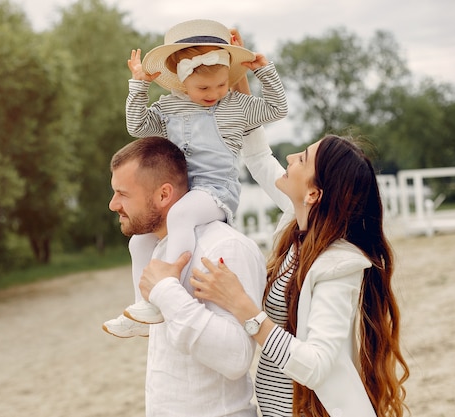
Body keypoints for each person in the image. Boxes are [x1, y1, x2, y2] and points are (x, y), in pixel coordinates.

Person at [147, 127, 410, 416]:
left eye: (303, 159)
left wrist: (242, 305)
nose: (291, 156)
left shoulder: (338, 265)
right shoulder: (296, 229)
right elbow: (259, 157)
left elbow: (316, 365)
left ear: (313, 194)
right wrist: (240, 92)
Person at [103, 19, 287, 337]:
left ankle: (167, 285)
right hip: (181, 189)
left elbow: (277, 108)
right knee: (138, 240)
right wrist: (139, 86)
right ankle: (141, 309)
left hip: (215, 191)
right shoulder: (169, 107)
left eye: (220, 85)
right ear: (182, 81)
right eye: (204, 88)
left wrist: (264, 71)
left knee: (181, 215)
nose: (214, 93)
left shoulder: (236, 106)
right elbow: (137, 126)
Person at [107, 136, 267, 416]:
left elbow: (236, 358)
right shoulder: (157, 249)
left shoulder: (224, 248)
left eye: (123, 193)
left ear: (163, 195)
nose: (113, 204)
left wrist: (167, 292)